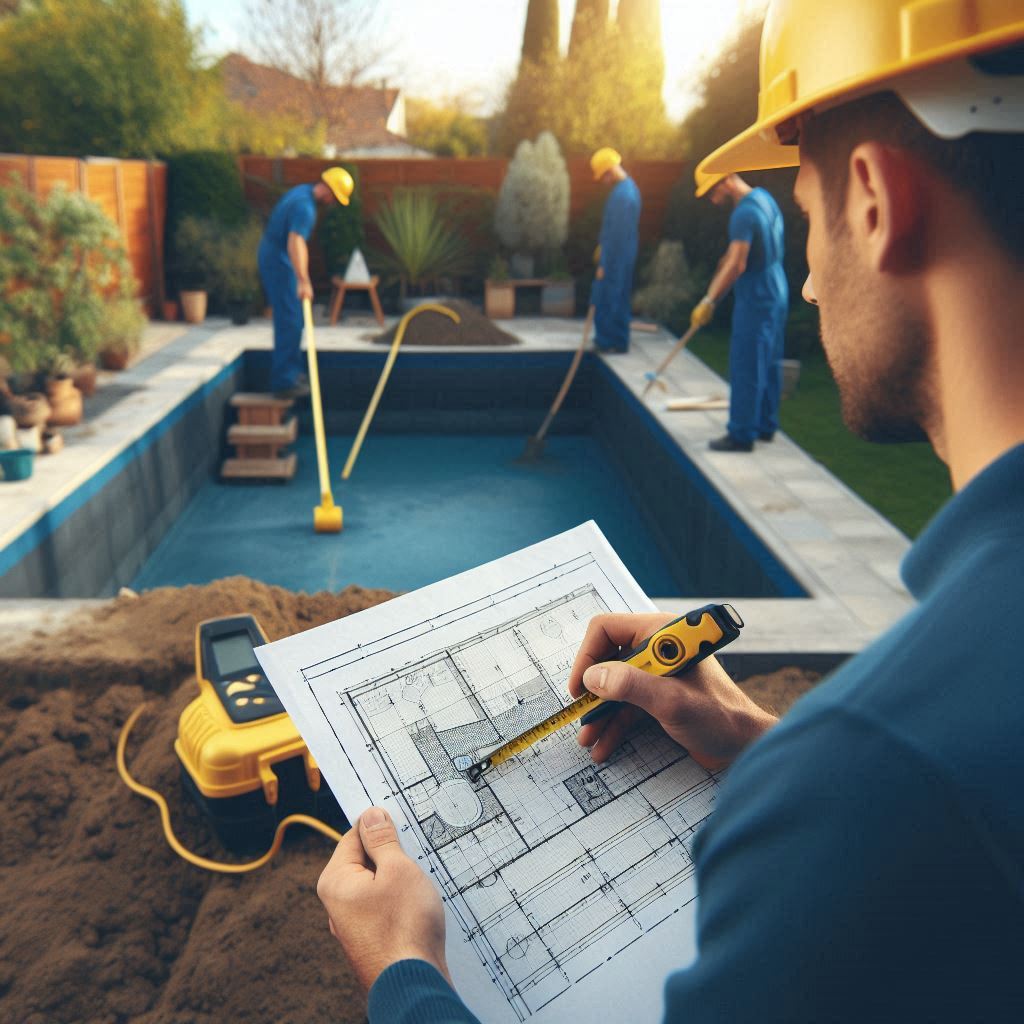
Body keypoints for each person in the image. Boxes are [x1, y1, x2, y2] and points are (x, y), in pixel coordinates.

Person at [316, 3, 1024, 1020]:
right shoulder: (908, 757)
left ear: (873, 199)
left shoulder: (876, 781)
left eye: (810, 214)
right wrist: (747, 734)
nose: (814, 281)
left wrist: (402, 974)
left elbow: (912, 794)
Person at [691, 174, 788, 452]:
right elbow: (734, 254)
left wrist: (709, 301)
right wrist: (719, 274)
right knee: (769, 360)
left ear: (728, 180)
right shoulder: (764, 198)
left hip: (757, 293)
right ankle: (766, 426)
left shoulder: (743, 213)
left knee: (746, 363)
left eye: (713, 190)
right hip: (776, 285)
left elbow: (737, 264)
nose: (712, 198)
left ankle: (741, 434)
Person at [258, 167, 354, 399]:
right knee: (290, 321)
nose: (332, 203)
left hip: (273, 253)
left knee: (293, 318)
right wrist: (303, 280)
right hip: (279, 260)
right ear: (328, 191)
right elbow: (296, 242)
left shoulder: (300, 192)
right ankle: (284, 383)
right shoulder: (305, 208)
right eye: (334, 198)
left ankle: (290, 373)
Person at [589, 147, 642, 353]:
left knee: (610, 297)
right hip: (621, 253)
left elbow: (618, 234)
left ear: (609, 170)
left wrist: (604, 262)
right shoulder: (627, 189)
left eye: (603, 176)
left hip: (617, 257)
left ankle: (609, 341)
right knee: (616, 297)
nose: (603, 181)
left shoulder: (623, 196)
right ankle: (614, 341)